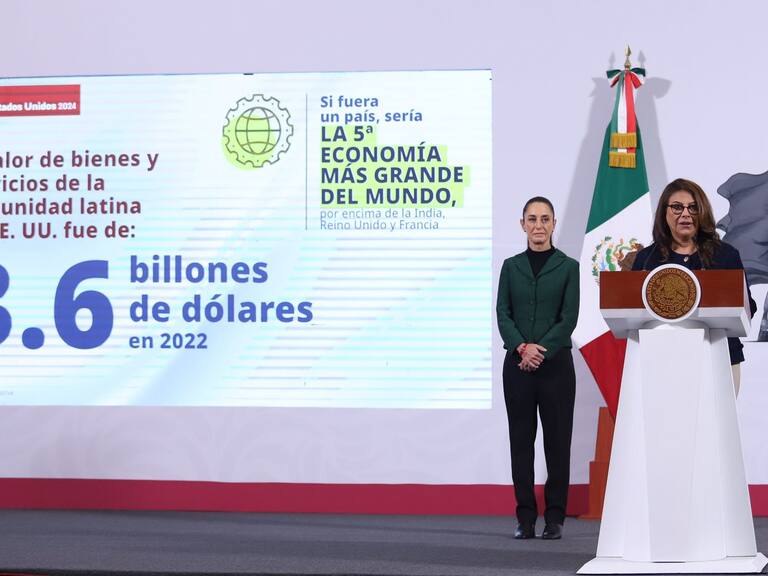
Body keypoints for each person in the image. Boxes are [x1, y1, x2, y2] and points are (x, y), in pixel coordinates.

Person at [496, 197, 579, 540]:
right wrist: (521, 347)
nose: (538, 225)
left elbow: (568, 318)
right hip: (517, 367)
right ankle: (525, 518)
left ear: (554, 224)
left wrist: (539, 350)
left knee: (557, 444)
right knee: (521, 443)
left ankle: (555, 517)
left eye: (545, 218)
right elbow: (503, 313)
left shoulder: (568, 266)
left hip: (556, 367)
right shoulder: (510, 266)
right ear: (522, 224)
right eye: (532, 219)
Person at [632, 178, 757, 396]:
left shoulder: (725, 255)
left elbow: (748, 308)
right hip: (661, 360)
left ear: (702, 212)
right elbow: (630, 308)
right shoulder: (646, 259)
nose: (686, 214)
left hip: (720, 356)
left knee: (716, 429)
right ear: (664, 213)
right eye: (677, 207)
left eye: (693, 207)